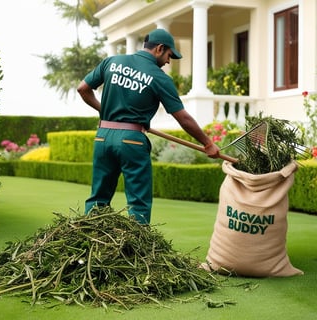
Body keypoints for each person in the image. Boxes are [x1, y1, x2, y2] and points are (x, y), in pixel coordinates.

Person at [77, 28, 220, 224]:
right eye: (170, 55)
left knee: (98, 199)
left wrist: (106, 112)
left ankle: (88, 241)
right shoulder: (160, 77)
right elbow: (183, 118)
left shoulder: (112, 61)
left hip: (102, 137)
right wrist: (208, 143)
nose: (169, 61)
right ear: (160, 48)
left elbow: (83, 89)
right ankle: (137, 252)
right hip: (131, 141)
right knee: (138, 204)